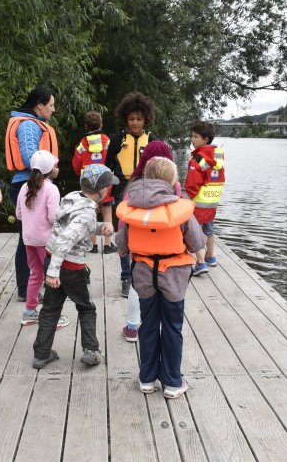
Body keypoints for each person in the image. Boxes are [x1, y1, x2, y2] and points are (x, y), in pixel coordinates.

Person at [116, 157, 206, 398]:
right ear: (172, 180)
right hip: (173, 277)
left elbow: (121, 245)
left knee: (147, 325)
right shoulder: (181, 209)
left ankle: (147, 379)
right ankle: (173, 382)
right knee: (172, 327)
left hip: (143, 274)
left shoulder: (133, 207)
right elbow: (197, 243)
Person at [32, 164, 116, 369]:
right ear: (102, 189)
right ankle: (91, 351)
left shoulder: (73, 198)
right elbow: (67, 239)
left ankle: (41, 354)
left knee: (50, 309)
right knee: (86, 308)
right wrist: (53, 273)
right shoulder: (87, 212)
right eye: (108, 186)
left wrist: (98, 228)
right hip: (69, 267)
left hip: (52, 258)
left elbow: (72, 227)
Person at [118, 140, 181, 343]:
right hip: (167, 251)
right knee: (165, 289)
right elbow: (179, 215)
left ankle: (132, 327)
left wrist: (122, 244)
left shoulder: (134, 186)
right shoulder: (175, 186)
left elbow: (124, 218)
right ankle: (160, 326)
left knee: (137, 287)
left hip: (138, 248)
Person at [5, 86, 58, 302]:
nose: (53, 110)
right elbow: (29, 157)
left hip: (32, 187)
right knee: (26, 240)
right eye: (51, 105)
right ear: (39, 105)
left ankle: (30, 286)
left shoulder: (33, 123)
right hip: (27, 187)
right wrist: (51, 170)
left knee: (28, 239)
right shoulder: (28, 125)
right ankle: (26, 287)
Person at [105, 92, 158, 297]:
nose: (135, 123)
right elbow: (106, 166)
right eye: (131, 119)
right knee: (123, 235)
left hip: (147, 192)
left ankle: (143, 274)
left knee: (145, 234)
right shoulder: (117, 140)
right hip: (123, 193)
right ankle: (126, 277)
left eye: (139, 119)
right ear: (125, 119)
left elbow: (163, 168)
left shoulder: (152, 141)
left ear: (146, 119)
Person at [16, 150, 69, 328]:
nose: (57, 167)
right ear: (50, 170)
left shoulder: (24, 187)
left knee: (36, 275)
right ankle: (53, 316)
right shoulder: (51, 189)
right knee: (53, 276)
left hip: (29, 239)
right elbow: (54, 217)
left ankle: (30, 312)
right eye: (55, 165)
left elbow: (18, 214)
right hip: (46, 241)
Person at [184, 121, 225, 276]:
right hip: (211, 201)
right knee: (209, 229)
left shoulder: (197, 159)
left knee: (195, 231)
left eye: (195, 136)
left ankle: (200, 263)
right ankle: (210, 257)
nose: (192, 139)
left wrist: (186, 197)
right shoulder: (218, 158)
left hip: (198, 202)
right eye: (192, 136)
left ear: (205, 139)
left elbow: (192, 183)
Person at [71, 111, 116, 254]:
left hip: (89, 183)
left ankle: (93, 245)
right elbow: (115, 160)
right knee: (107, 211)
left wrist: (81, 174)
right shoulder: (108, 141)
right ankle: (108, 245)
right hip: (106, 181)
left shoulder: (81, 145)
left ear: (86, 126)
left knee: (91, 212)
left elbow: (76, 165)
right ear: (101, 124)